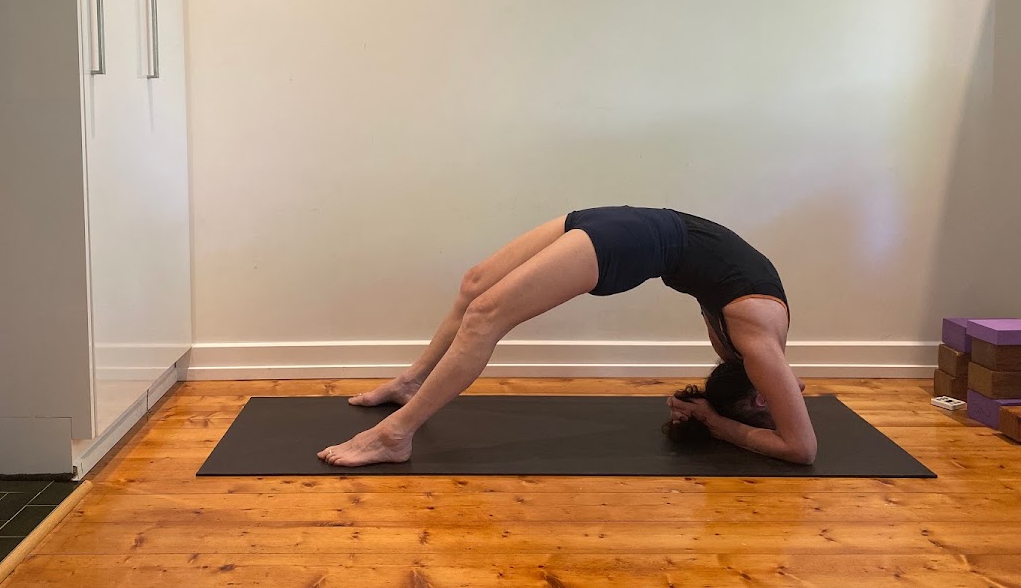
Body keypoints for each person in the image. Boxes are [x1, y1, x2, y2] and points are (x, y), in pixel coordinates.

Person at [317, 206, 817, 467]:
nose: (788, 396)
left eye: (770, 404)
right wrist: (713, 418)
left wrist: (711, 415)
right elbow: (801, 447)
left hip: (640, 231)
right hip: (639, 227)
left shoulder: (747, 347)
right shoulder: (758, 348)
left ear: (753, 396)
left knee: (485, 311)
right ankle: (411, 383)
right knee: (476, 285)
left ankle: (395, 434)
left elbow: (794, 442)